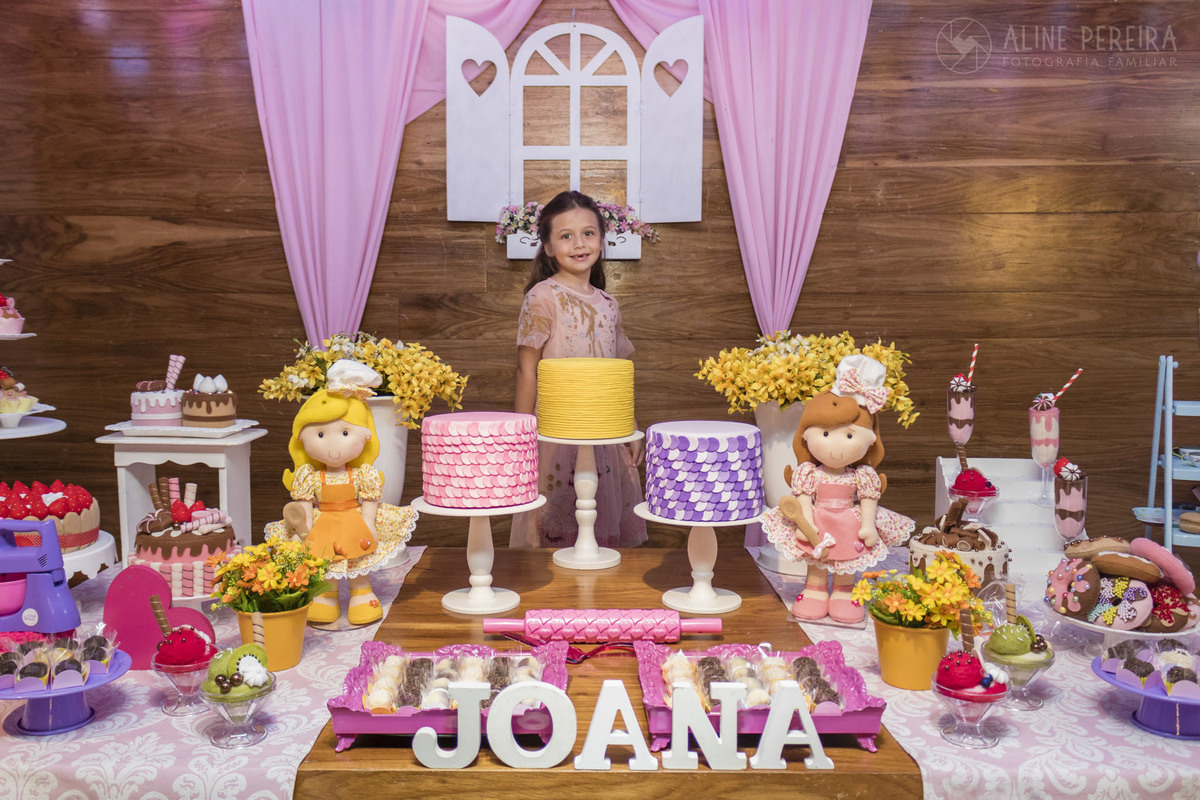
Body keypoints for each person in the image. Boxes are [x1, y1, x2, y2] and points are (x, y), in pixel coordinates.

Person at [510, 190, 647, 548]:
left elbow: (616, 373)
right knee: (557, 520)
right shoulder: (542, 297)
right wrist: (521, 435)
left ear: (601, 239)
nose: (579, 244)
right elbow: (527, 370)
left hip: (603, 430)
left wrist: (631, 428)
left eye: (588, 233)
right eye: (566, 236)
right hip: (556, 432)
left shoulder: (609, 304)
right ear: (548, 247)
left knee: (599, 521)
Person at [761, 355, 914, 624]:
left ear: (869, 442)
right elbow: (803, 497)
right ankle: (815, 591)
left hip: (848, 524)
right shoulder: (808, 472)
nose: (836, 446)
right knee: (816, 559)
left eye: (850, 435)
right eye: (826, 434)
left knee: (847, 560)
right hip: (818, 521)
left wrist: (868, 526)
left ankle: (844, 594)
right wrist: (806, 520)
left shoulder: (862, 476)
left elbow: (868, 498)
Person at [266, 359, 417, 625]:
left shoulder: (363, 475)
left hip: (353, 523)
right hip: (323, 525)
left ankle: (362, 594)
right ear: (301, 437)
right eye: (320, 435)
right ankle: (326, 597)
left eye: (345, 433)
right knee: (324, 563)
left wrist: (369, 524)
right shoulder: (308, 477)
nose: (333, 445)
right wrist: (304, 528)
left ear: (366, 436)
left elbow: (369, 502)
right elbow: (303, 508)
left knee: (358, 562)